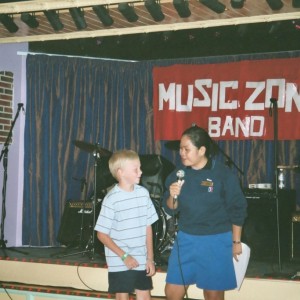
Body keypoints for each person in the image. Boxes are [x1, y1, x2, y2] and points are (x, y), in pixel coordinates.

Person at [162, 125, 248, 300]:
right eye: (180, 149)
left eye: (187, 149)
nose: (182, 153)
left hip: (215, 240)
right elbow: (170, 207)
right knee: (172, 291)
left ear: (202, 150)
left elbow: (238, 208)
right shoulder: (178, 174)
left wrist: (236, 241)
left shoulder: (222, 174)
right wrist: (172, 195)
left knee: (212, 294)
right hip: (186, 239)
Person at [94, 149, 158, 300]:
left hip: (141, 256)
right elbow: (101, 234)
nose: (140, 172)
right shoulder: (111, 199)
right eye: (136, 169)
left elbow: (147, 226)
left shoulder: (143, 194)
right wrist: (124, 256)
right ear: (121, 172)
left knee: (144, 293)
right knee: (122, 295)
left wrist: (150, 258)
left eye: (140, 168)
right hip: (119, 258)